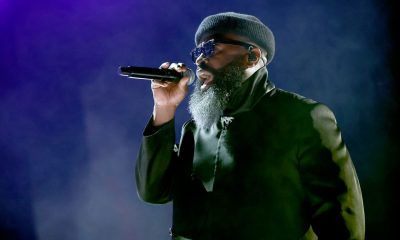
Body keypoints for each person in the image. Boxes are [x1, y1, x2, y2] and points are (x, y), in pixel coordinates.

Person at [135, 12, 365, 240]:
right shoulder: (194, 130)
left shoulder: (303, 117)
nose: (199, 61)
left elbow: (343, 227)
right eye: (197, 52)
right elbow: (153, 192)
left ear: (252, 56)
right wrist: (164, 108)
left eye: (210, 49)